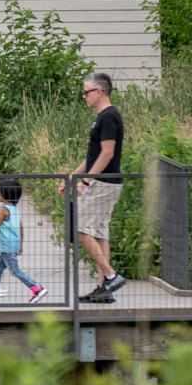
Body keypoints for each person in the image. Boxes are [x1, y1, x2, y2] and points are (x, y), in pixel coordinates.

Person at [74, 72, 128, 303]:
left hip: (103, 183)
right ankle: (104, 291)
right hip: (106, 182)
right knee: (99, 233)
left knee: (81, 229)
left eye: (86, 92)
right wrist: (73, 175)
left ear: (99, 92)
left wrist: (87, 181)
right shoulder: (104, 117)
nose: (84, 96)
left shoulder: (108, 117)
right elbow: (94, 155)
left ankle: (111, 275)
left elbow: (107, 153)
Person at [0, 178, 45, 304]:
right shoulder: (15, 209)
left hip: (7, 246)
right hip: (11, 246)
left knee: (14, 271)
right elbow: (20, 227)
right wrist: (20, 245)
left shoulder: (4, 209)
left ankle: (36, 288)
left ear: (5, 194)